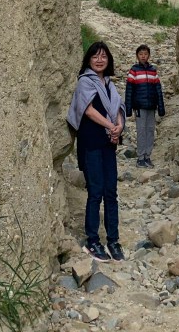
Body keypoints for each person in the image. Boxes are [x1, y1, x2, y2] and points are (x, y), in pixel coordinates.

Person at [66, 41, 126, 262]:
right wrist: (111, 126)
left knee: (111, 192)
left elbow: (118, 108)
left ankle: (113, 240)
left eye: (103, 56)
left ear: (108, 60)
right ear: (88, 60)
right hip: (91, 142)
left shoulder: (109, 84)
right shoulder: (85, 82)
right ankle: (92, 240)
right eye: (95, 56)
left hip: (108, 143)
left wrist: (119, 126)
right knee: (95, 191)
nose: (100, 60)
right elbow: (88, 110)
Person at [125, 44, 165, 168]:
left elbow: (158, 90)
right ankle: (140, 158)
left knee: (150, 131)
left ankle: (148, 156)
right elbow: (129, 90)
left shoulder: (153, 71)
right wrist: (128, 109)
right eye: (141, 54)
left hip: (151, 106)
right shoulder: (134, 71)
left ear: (149, 56)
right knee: (141, 131)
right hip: (139, 107)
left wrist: (161, 107)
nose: (143, 56)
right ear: (137, 56)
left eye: (145, 54)